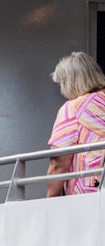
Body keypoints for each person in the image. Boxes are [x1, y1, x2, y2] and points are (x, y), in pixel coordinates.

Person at [48, 52, 105, 197]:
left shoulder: (73, 109)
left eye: (61, 84)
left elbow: (58, 164)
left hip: (89, 196)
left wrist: (49, 201)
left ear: (70, 82)